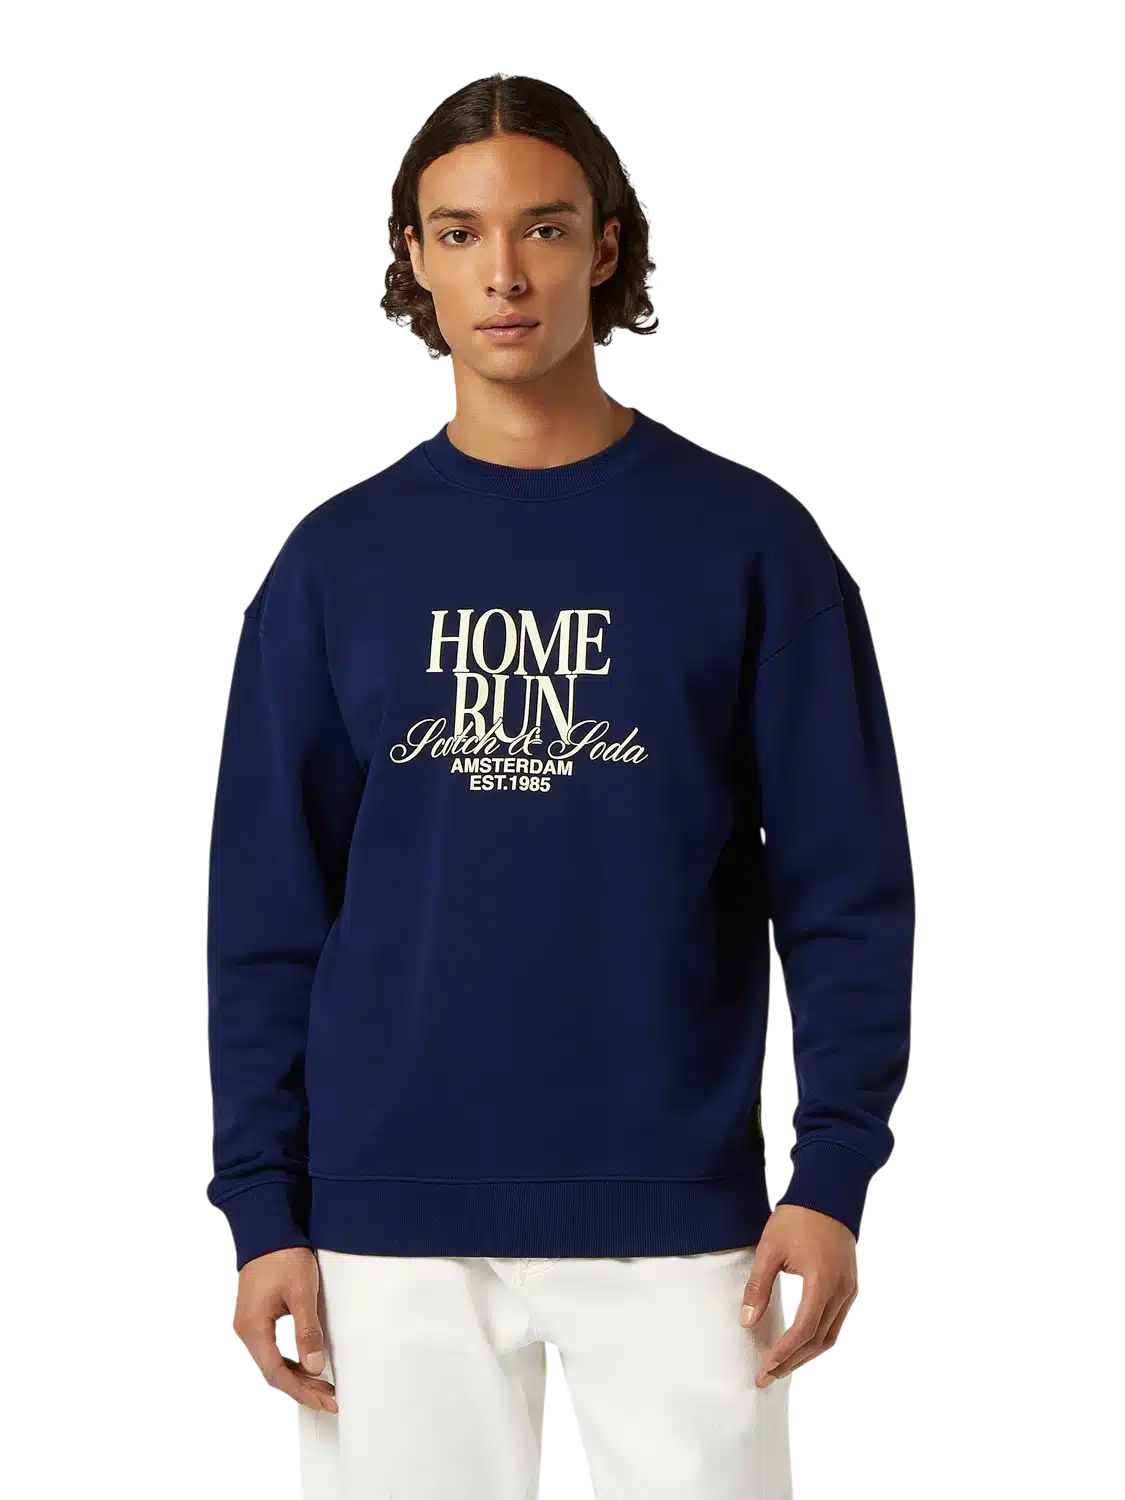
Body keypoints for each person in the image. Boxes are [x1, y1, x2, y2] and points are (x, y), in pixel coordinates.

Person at [208, 72, 913, 1500]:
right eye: (460, 233)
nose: (505, 275)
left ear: (607, 247)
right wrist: (260, 1205)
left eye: (543, 227)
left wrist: (832, 1175)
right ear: (413, 258)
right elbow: (269, 914)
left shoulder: (749, 546)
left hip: (686, 1217)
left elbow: (846, 892)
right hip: (387, 1222)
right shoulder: (337, 564)